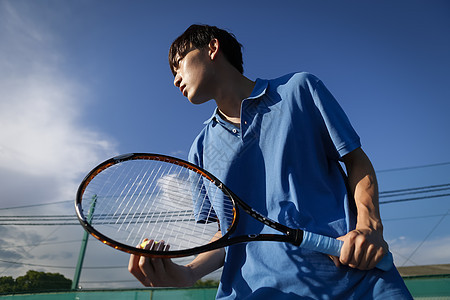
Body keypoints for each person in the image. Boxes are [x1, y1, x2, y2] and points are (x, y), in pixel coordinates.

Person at [129, 24, 412, 299]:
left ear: (212, 48)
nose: (175, 79)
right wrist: (188, 272)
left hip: (358, 284)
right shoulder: (201, 148)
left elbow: (356, 162)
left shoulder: (300, 89)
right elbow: (228, 235)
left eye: (178, 64)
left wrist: (369, 228)